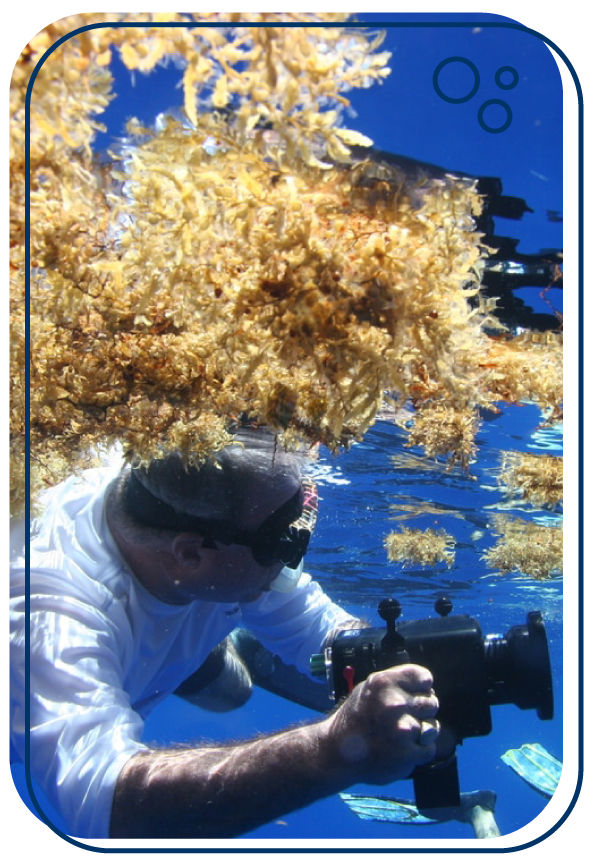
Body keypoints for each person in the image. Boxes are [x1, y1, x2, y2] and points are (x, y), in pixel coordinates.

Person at [9, 425, 440, 841]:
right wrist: (333, 749)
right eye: (283, 542)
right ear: (190, 553)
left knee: (233, 692)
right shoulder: (51, 616)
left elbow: (317, 626)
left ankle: (211, 639)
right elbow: (110, 810)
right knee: (228, 688)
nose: (292, 557)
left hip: (185, 591)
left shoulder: (208, 521)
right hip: (45, 683)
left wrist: (416, 665)